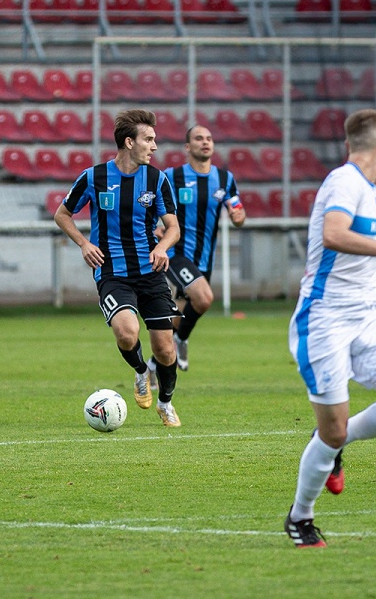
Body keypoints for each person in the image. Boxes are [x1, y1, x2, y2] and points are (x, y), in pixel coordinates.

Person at [286, 110, 376, 548]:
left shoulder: (369, 188)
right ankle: (300, 517)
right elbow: (333, 234)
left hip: (367, 315)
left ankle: (333, 440)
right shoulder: (343, 182)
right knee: (332, 432)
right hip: (325, 318)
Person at [54, 109, 183, 427]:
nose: (154, 146)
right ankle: (141, 371)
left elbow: (173, 227)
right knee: (127, 333)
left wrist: (162, 247)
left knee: (166, 350)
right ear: (129, 142)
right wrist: (84, 243)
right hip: (111, 271)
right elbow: (62, 214)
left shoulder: (156, 179)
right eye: (148, 139)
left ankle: (165, 403)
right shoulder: (94, 177)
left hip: (150, 271)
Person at [149, 124, 246, 379]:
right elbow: (149, 204)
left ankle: (152, 366)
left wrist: (238, 216)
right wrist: (154, 228)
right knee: (204, 298)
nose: (205, 142)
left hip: (204, 260)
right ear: (187, 146)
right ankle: (181, 341)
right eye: (199, 138)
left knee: (177, 318)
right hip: (176, 254)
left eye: (209, 138)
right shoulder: (172, 176)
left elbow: (237, 210)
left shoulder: (225, 179)